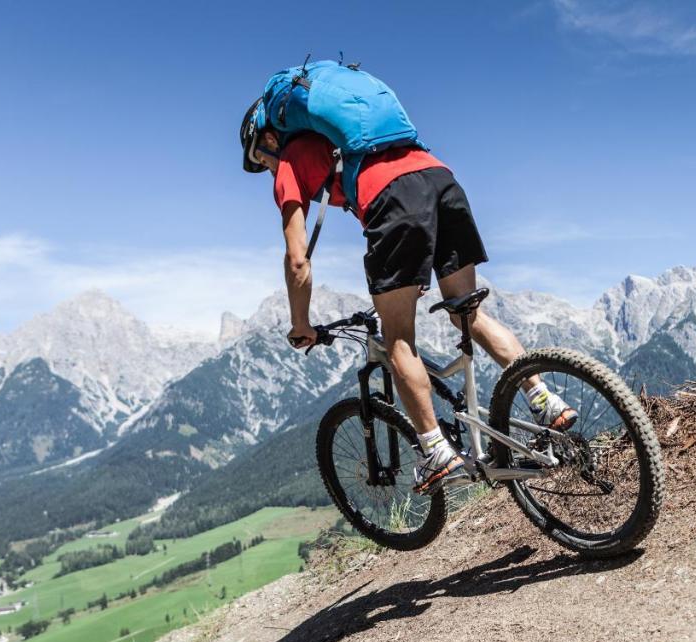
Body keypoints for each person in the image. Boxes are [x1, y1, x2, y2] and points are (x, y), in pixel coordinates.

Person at [240, 104, 577, 493]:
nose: (265, 167)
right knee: (469, 312)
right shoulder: (344, 145)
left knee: (398, 337)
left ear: (269, 138)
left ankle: (435, 450)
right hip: (441, 179)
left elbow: (298, 260)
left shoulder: (290, 165)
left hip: (395, 198)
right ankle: (545, 400)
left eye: (260, 159)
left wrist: (300, 323)